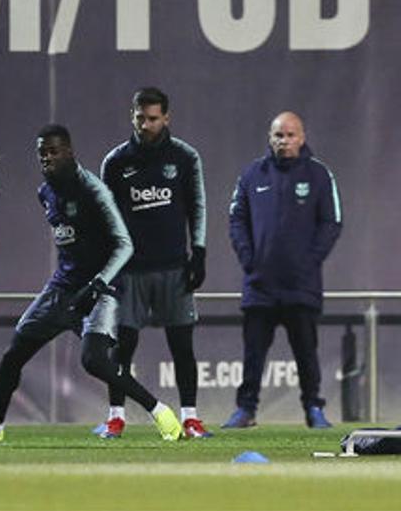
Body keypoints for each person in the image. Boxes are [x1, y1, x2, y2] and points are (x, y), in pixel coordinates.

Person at [0, 125, 182, 443]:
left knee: (94, 360)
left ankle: (161, 412)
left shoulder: (94, 191)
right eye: (41, 153)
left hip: (99, 290)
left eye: (53, 151)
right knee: (13, 354)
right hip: (62, 289)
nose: (46, 158)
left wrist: (99, 284)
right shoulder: (44, 193)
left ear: (70, 152)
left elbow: (125, 245)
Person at [94, 87, 211, 439]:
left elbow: (198, 207)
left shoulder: (185, 157)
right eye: (140, 117)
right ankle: (116, 418)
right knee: (121, 346)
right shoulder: (115, 162)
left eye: (153, 118)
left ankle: (190, 418)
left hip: (173, 267)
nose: (146, 125)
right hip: (131, 270)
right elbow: (105, 218)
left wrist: (199, 253)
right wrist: (109, 266)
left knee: (182, 345)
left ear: (166, 118)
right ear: (132, 115)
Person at [223, 111, 342, 429]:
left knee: (306, 353)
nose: (284, 141)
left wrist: (308, 261)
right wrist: (249, 258)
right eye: (278, 135)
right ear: (269, 138)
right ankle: (245, 410)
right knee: (253, 356)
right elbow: (236, 219)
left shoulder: (319, 175)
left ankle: (313, 409)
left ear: (302, 137)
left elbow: (332, 223)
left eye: (290, 135)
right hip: (259, 284)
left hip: (301, 285)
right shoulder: (252, 175)